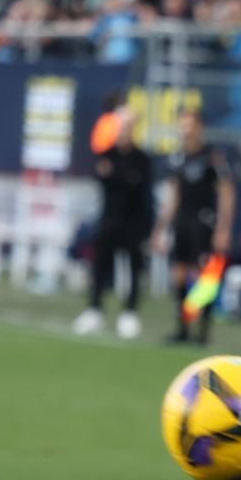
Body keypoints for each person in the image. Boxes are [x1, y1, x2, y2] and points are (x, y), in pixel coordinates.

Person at [152, 107, 235, 346]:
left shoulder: (212, 157)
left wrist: (223, 228)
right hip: (183, 221)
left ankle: (203, 331)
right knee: (178, 273)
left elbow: (227, 192)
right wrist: (161, 228)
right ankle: (183, 327)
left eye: (190, 125)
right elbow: (174, 195)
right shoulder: (178, 157)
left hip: (204, 220)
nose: (185, 130)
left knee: (204, 276)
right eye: (182, 125)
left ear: (200, 127)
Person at [73, 106, 154, 340]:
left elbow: (138, 188)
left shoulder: (142, 159)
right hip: (109, 220)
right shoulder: (107, 155)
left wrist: (118, 177)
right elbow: (104, 180)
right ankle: (94, 309)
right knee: (100, 266)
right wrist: (121, 178)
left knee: (133, 269)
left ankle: (130, 312)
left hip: (134, 223)